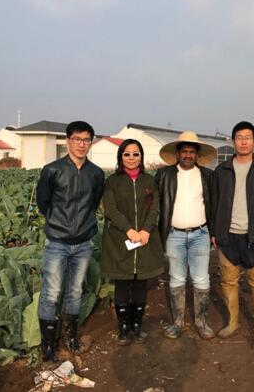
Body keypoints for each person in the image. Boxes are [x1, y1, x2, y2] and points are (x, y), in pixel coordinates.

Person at [36, 121, 105, 362]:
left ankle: (71, 338)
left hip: (83, 243)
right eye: (77, 139)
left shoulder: (96, 174)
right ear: (68, 141)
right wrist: (59, 224)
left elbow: (93, 203)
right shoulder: (52, 170)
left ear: (91, 142)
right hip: (57, 241)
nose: (81, 144)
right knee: (52, 293)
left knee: (75, 292)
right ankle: (48, 345)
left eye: (86, 140)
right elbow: (43, 203)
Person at [211, 121, 254, 344]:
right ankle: (233, 322)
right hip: (227, 236)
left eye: (247, 137)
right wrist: (214, 232)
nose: (243, 142)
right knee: (228, 281)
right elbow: (214, 203)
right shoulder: (221, 170)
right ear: (233, 141)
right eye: (239, 138)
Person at [100, 139, 164, 345]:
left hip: (145, 240)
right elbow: (111, 209)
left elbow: (155, 207)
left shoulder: (149, 181)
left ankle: (137, 326)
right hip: (121, 239)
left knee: (140, 284)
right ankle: (123, 328)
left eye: (135, 154)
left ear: (141, 157)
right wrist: (129, 230)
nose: (131, 158)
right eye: (126, 154)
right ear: (120, 157)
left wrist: (145, 230)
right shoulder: (112, 182)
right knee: (122, 283)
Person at [155, 131, 216, 340]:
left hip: (201, 233)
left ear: (197, 155)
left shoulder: (207, 176)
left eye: (191, 152)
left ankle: (201, 322)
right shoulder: (164, 175)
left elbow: (214, 206)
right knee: (176, 277)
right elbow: (154, 205)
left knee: (201, 278)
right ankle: (178, 322)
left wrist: (214, 233)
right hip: (174, 235)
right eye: (184, 151)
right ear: (177, 154)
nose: (188, 155)